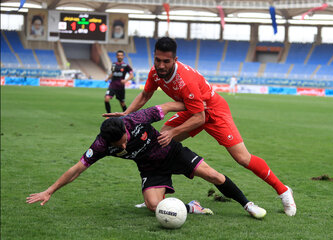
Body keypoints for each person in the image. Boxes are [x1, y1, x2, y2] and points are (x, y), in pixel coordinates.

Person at [104, 37, 296, 216]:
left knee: (243, 158)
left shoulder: (185, 81)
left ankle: (283, 191)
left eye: (166, 62)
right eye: (157, 60)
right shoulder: (155, 73)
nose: (161, 66)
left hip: (212, 112)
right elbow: (145, 95)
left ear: (175, 60)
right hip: (194, 110)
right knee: (159, 143)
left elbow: (200, 118)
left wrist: (175, 132)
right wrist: (126, 113)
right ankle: (157, 199)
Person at [26, 102, 267, 219]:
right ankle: (191, 207)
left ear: (125, 127)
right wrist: (49, 191)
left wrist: (196, 106)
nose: (122, 146)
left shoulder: (137, 118)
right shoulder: (100, 145)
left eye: (124, 140)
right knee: (154, 206)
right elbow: (77, 169)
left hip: (171, 151)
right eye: (117, 146)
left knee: (213, 175)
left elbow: (170, 105)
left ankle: (247, 204)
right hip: (150, 167)